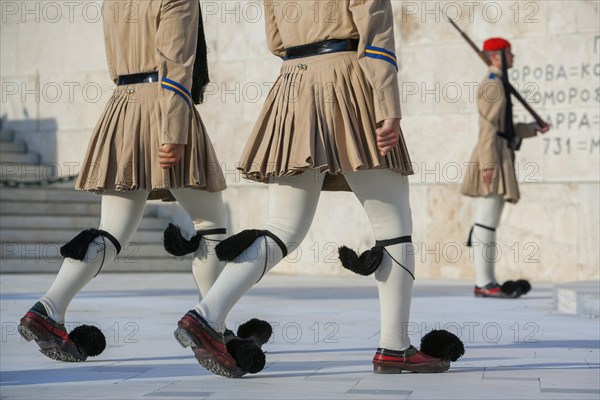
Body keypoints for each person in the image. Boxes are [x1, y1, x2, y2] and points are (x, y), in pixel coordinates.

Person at [173, 0, 463, 378]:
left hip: (292, 86)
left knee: (282, 229)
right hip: (348, 82)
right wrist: (387, 103)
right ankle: (395, 348)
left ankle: (205, 314)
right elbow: (375, 36)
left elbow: (276, 41)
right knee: (394, 227)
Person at [17, 0, 268, 364]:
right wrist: (174, 130)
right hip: (164, 105)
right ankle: (213, 326)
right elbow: (177, 62)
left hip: (122, 107)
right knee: (211, 225)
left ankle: (47, 310)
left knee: (111, 232)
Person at [461, 37, 550, 298]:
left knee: (490, 221)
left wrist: (533, 129)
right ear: (497, 56)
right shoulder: (492, 86)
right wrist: (488, 165)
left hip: (501, 154)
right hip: (493, 157)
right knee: (486, 221)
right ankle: (484, 283)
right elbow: (488, 128)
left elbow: (505, 129)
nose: (514, 57)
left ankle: (487, 281)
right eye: (510, 53)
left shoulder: (499, 83)